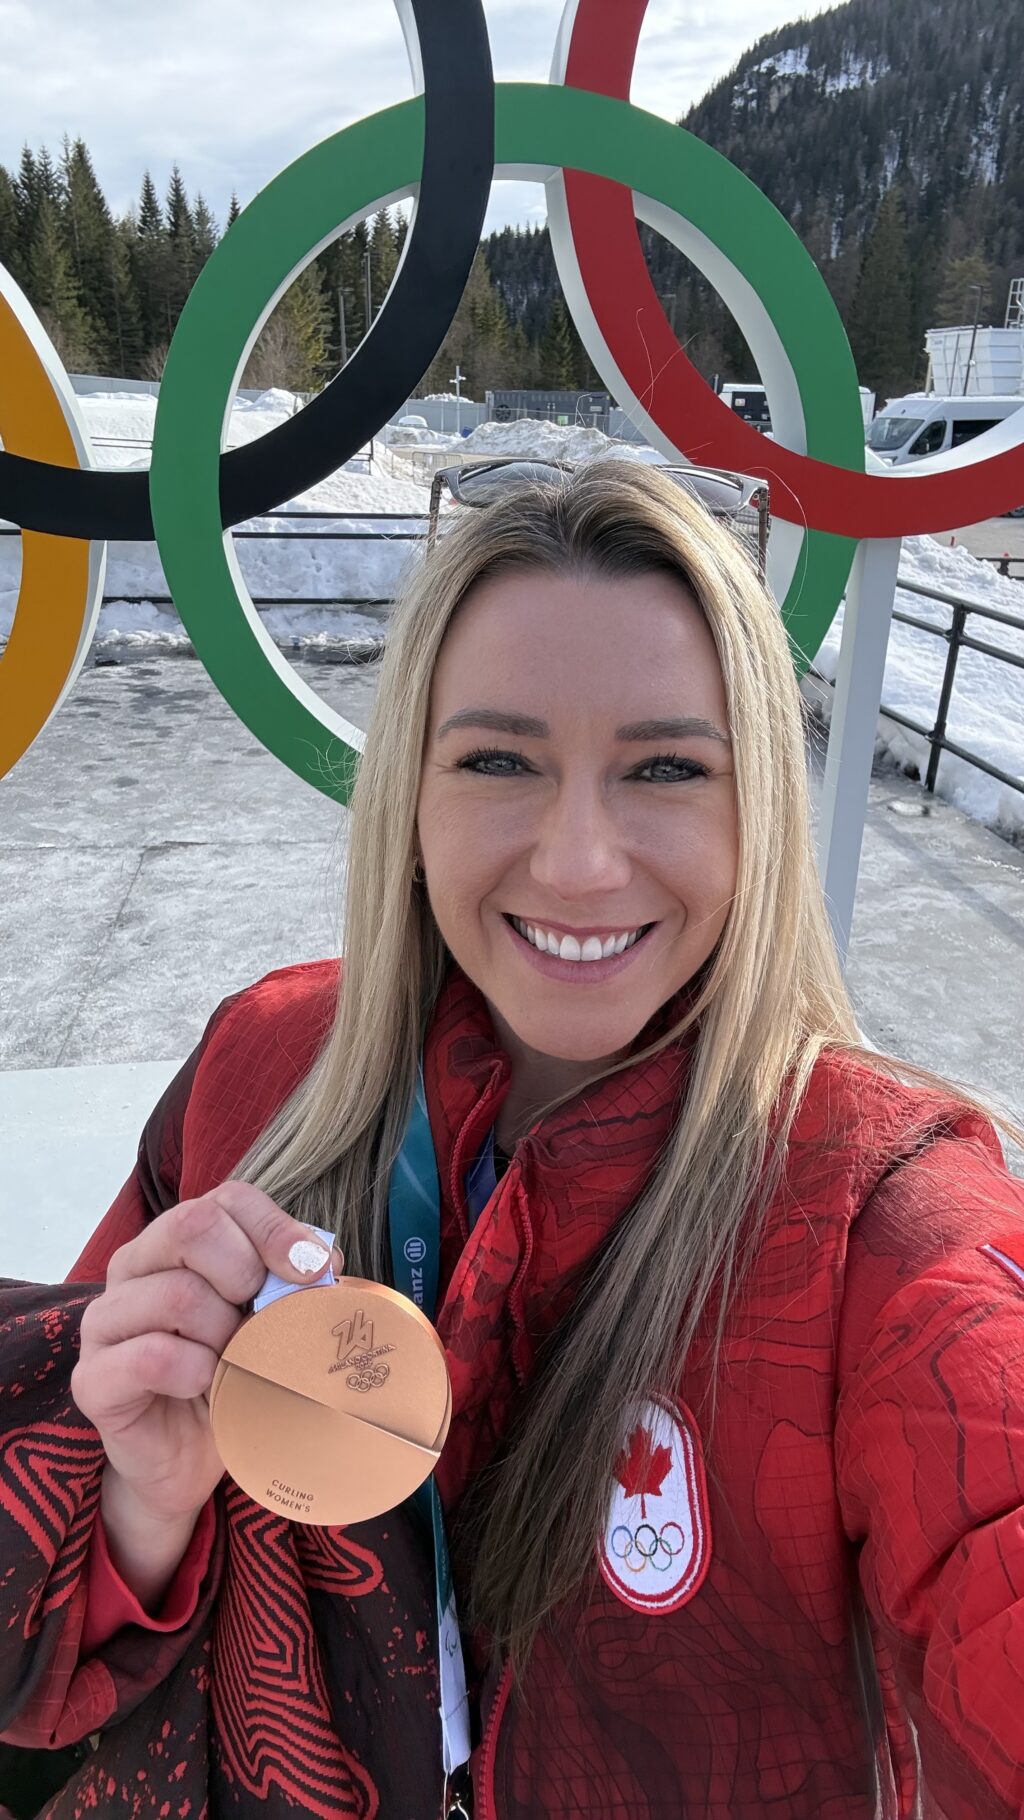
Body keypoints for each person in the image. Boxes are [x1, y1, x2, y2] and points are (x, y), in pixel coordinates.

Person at [1, 459, 1022, 1820]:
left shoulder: (881, 1222)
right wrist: (141, 1504)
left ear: (758, 804)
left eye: (666, 766)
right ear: (409, 795)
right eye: (498, 761)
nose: (582, 861)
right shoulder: (261, 1065)